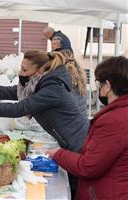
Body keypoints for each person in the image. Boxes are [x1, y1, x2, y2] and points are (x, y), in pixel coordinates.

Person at [0, 50, 89, 152]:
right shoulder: (35, 86)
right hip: (69, 141)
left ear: (40, 70)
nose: (20, 73)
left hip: (79, 143)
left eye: (24, 70)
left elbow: (20, 108)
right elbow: (5, 91)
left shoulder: (52, 90)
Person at [47, 56, 128, 200]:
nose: (98, 87)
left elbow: (88, 167)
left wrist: (58, 153)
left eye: (99, 83)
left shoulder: (114, 120)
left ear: (107, 86)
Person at [52, 36, 88, 116]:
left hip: (72, 119)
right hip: (81, 117)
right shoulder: (78, 71)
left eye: (54, 44)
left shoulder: (63, 74)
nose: (52, 46)